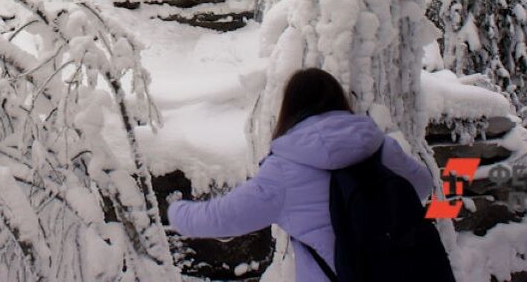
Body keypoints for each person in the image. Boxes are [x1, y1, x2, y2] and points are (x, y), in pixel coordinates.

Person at [167, 68, 435, 282]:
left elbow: (223, 218)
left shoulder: (283, 170)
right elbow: (423, 186)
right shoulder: (382, 147)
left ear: (289, 109)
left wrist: (176, 212)